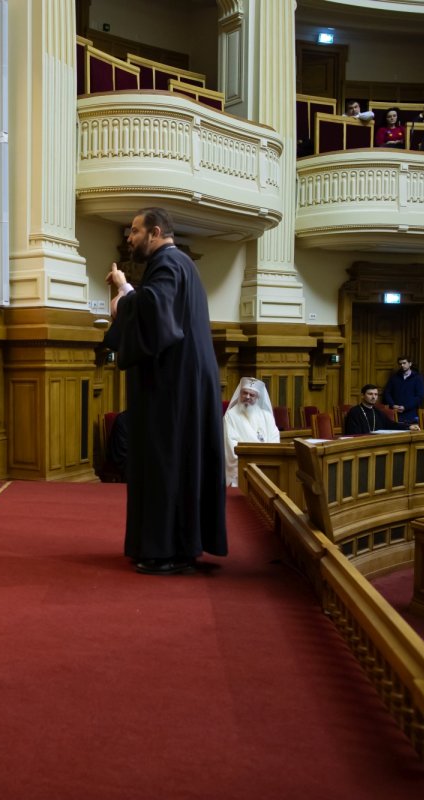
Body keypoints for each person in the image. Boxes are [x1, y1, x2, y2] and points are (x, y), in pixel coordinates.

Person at [105, 207, 227, 575]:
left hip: (171, 390)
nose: (129, 237)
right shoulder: (183, 264)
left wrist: (123, 298)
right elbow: (160, 309)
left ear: (155, 232)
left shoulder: (167, 264)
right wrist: (129, 292)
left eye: (135, 231)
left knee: (165, 462)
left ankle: (163, 551)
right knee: (181, 462)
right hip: (185, 383)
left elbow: (156, 312)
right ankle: (183, 545)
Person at [222, 377, 279, 487]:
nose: (247, 397)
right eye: (245, 393)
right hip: (242, 472)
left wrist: (265, 461)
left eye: (251, 395)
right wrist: (253, 463)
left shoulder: (266, 416)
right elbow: (230, 446)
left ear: (258, 397)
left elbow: (274, 439)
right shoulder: (230, 416)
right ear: (240, 394)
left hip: (266, 469)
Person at [342, 385, 420, 434]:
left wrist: (409, 427)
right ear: (362, 395)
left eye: (376, 394)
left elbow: (391, 424)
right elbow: (352, 433)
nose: (373, 397)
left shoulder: (377, 412)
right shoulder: (355, 412)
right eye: (370, 394)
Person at [382, 357, 424, 424]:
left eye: (404, 363)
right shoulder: (394, 377)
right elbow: (387, 393)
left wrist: (405, 407)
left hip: (410, 413)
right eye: (400, 364)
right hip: (395, 412)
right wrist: (393, 405)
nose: (402, 365)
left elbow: (419, 396)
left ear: (410, 364)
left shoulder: (417, 378)